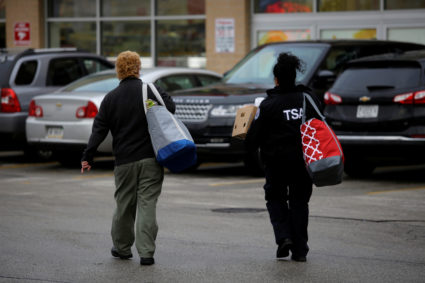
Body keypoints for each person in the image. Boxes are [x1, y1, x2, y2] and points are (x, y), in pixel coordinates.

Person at [81, 50, 175, 266]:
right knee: (147, 204)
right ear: (138, 68)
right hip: (151, 159)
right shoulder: (150, 90)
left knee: (124, 204)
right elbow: (171, 107)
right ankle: (147, 253)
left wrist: (88, 155)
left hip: (124, 161)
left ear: (118, 70)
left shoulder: (111, 98)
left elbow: (99, 129)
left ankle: (122, 249)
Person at [245, 52, 322, 262]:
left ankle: (284, 237)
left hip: (276, 162)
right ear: (294, 76)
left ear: (276, 79)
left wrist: (245, 139)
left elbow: (253, 138)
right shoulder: (308, 99)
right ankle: (300, 251)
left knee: (275, 198)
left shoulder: (269, 105)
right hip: (304, 162)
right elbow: (321, 124)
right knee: (299, 203)